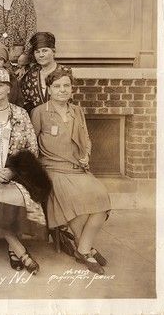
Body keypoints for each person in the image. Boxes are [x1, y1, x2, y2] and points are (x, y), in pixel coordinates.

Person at [31, 67, 111, 275]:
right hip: (53, 169)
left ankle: (83, 247)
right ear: (49, 89)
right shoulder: (40, 112)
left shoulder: (77, 111)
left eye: (66, 85)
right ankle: (86, 249)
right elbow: (31, 146)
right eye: (57, 86)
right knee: (76, 202)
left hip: (77, 168)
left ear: (72, 89)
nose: (62, 90)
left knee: (102, 199)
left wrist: (87, 155)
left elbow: (87, 140)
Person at [0, 68, 47, 274]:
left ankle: (13, 247)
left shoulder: (21, 114)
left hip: (17, 173)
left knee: (19, 198)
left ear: (8, 88)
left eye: (0, 85)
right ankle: (20, 251)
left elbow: (32, 148)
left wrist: (12, 171)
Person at [20, 32, 70, 112]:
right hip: (36, 120)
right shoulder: (31, 74)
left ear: (53, 51)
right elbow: (26, 102)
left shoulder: (65, 71)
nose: (41, 55)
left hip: (60, 119)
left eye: (45, 51)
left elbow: (69, 101)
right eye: (37, 52)